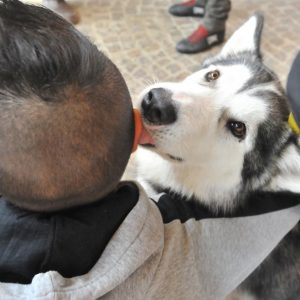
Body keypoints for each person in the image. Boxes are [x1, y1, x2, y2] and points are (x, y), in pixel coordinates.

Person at [0, 1, 299, 299]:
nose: (171, 100)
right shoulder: (180, 254)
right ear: (134, 134)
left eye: (237, 128)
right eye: (213, 76)